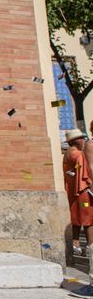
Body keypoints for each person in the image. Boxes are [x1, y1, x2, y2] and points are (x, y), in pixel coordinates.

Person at [64, 128, 93, 298]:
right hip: (83, 194)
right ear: (76, 140)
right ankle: (87, 244)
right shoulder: (79, 154)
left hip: (76, 194)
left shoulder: (69, 154)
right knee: (87, 220)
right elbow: (86, 174)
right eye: (81, 138)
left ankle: (79, 245)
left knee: (80, 219)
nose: (83, 140)